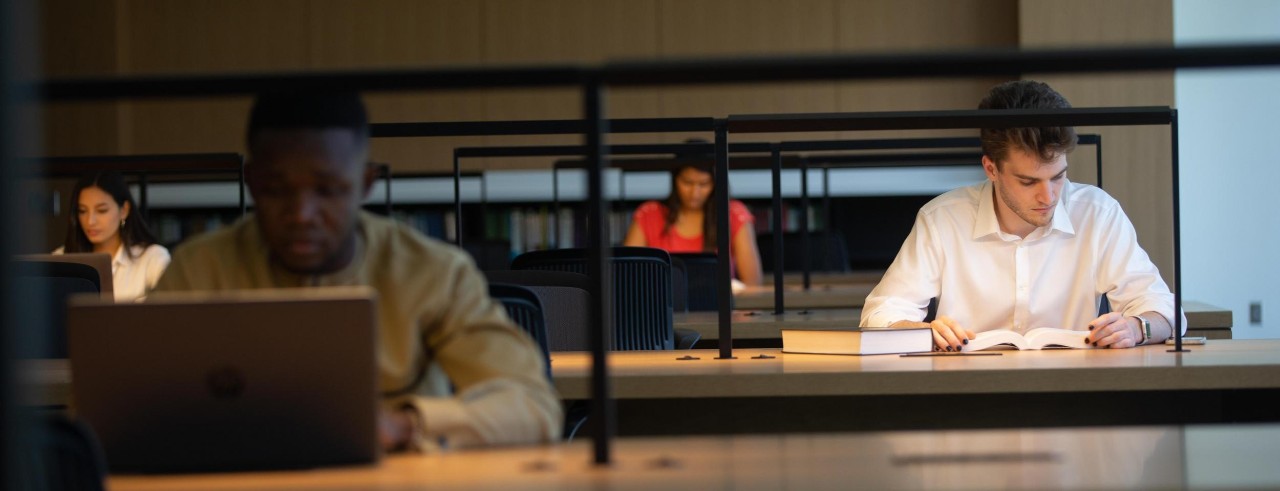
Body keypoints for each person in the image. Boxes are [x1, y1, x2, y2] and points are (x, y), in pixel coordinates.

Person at [152, 92, 561, 451]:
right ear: (252, 183)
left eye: (328, 190)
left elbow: (534, 406)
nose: (302, 214)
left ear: (366, 184)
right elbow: (113, 409)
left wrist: (405, 424)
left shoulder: (433, 272)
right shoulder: (197, 271)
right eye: (277, 190)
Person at [860, 80, 1184, 351]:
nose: (1049, 196)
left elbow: (1164, 308)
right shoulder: (942, 218)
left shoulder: (1097, 213)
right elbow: (880, 313)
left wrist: (1137, 327)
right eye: (1028, 181)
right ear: (991, 169)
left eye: (1058, 177)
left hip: (1074, 389)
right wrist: (921, 332)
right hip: (967, 393)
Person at [622, 159, 764, 286]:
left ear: (715, 184)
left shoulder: (733, 213)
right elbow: (627, 275)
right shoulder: (649, 214)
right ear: (675, 179)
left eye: (704, 184)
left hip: (719, 310)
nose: (694, 193)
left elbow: (753, 282)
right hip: (660, 306)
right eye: (687, 183)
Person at [55, 171, 170, 301]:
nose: (90, 221)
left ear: (124, 210)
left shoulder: (152, 258)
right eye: (82, 211)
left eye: (101, 210)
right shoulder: (61, 260)